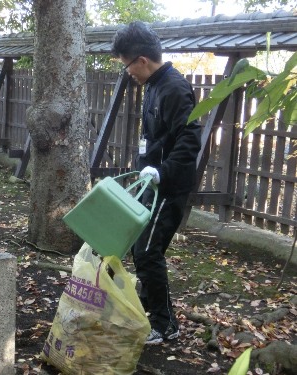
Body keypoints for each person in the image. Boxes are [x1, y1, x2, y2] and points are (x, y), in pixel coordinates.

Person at [111, 21, 202, 344]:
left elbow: (190, 139)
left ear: (141, 61)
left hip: (169, 186)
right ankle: (147, 311)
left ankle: (166, 325)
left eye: (127, 66)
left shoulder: (175, 88)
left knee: (148, 252)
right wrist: (143, 168)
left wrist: (162, 171)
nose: (128, 73)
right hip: (151, 183)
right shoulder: (153, 85)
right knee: (142, 248)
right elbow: (154, 137)